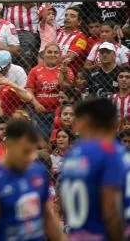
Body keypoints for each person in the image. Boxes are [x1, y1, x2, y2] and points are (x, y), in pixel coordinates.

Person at [58, 97, 128, 241]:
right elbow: (110, 209)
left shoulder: (71, 155)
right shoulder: (110, 152)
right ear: (115, 123)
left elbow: (62, 201)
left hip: (77, 234)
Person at [0, 119, 64, 241]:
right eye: (26, 151)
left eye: (33, 151)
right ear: (9, 144)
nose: (32, 157)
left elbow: (48, 217)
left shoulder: (39, 172)